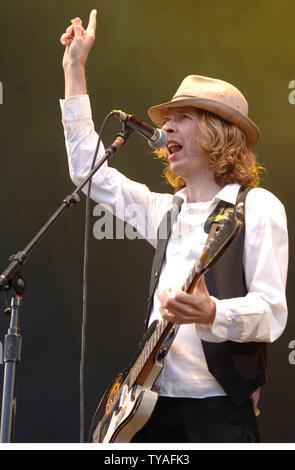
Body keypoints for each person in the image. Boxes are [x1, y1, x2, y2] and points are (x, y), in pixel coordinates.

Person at [59, 10, 288, 443]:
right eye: (168, 118)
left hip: (218, 414)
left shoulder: (258, 207)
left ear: (220, 133)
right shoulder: (166, 211)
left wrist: (213, 312)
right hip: (150, 408)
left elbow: (272, 312)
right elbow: (87, 171)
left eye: (183, 117)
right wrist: (75, 71)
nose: (166, 127)